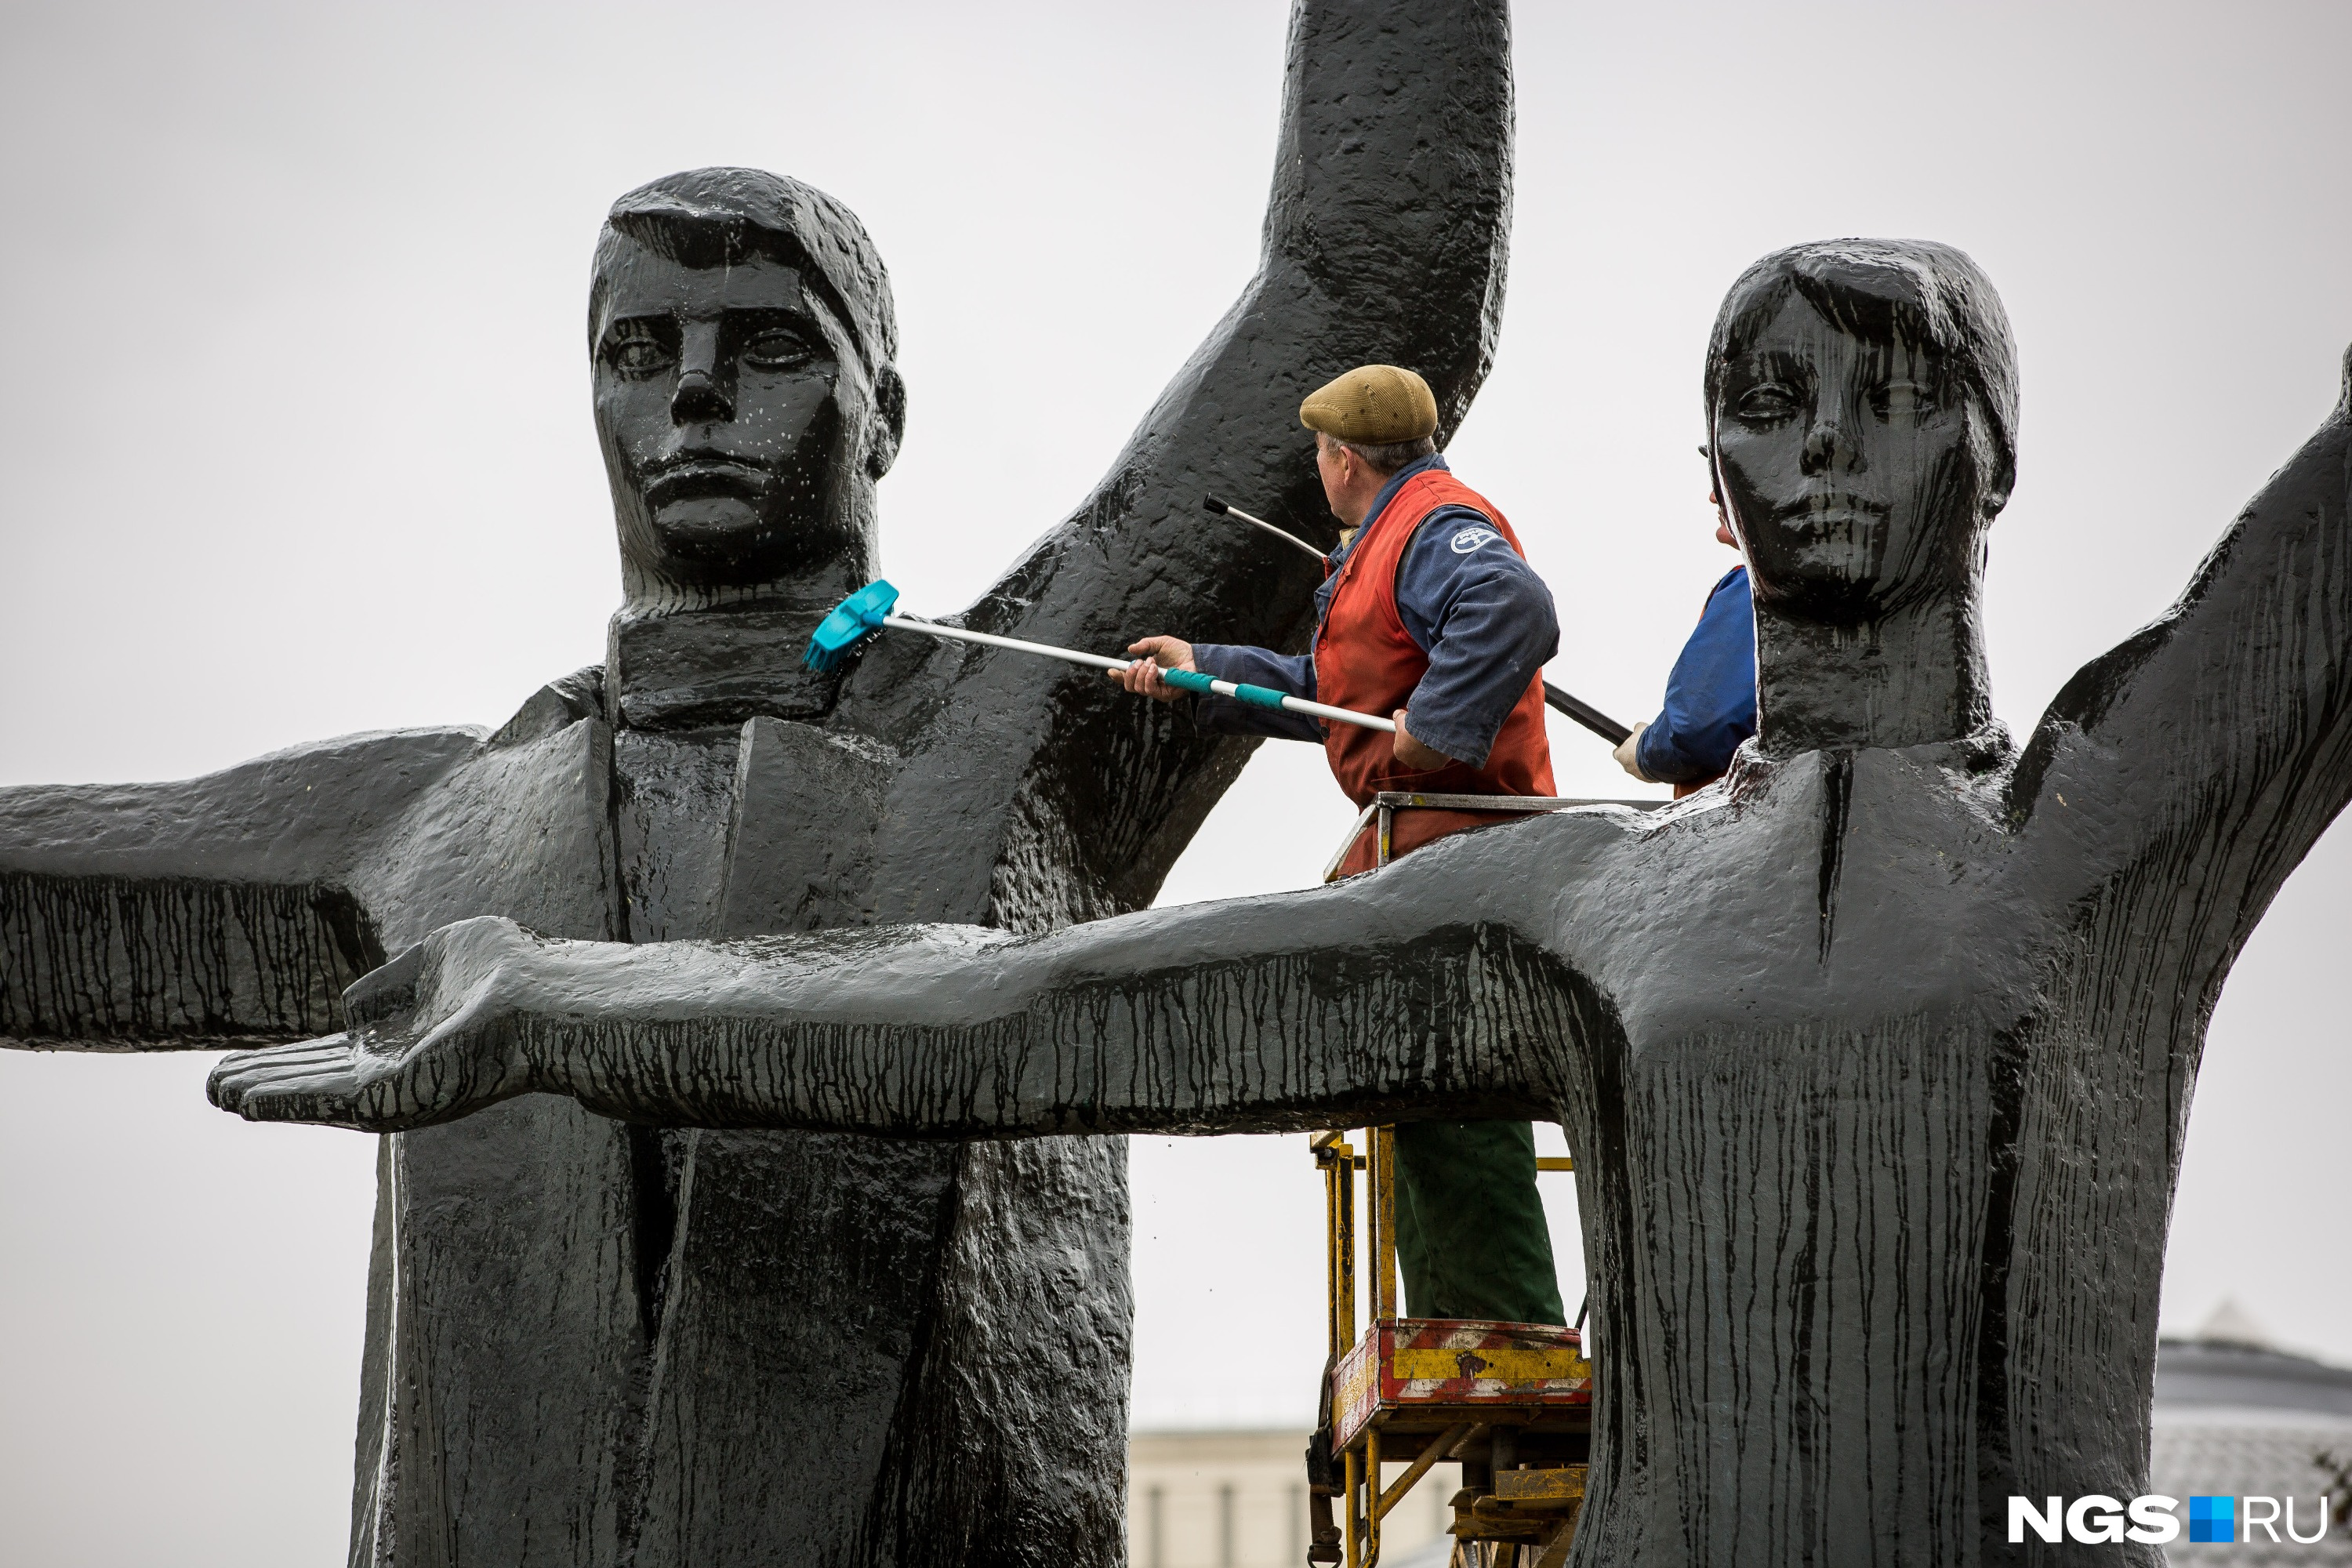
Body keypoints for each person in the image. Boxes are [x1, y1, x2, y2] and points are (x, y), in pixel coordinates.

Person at [1116, 362, 1566, 1328]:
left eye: (1319, 453)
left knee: (1460, 1094)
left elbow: (1516, 608)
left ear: (1343, 458)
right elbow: (1328, 690)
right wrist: (1203, 669)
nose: (1316, 468)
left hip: (1467, 856)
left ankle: (1508, 1335)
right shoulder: (1385, 538)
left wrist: (1434, 730)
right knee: (1426, 1104)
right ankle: (1466, 1331)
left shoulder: (1434, 524)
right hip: (1421, 857)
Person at [1612, 492, 1758, 795]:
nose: (1714, 496)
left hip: (1740, 829)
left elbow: (1700, 729)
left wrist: (1647, 751)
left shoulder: (1761, 589)